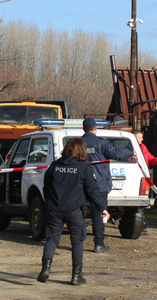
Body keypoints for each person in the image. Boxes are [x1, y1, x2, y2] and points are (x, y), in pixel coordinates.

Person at [38, 137, 109, 286]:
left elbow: (46, 186)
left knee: (52, 239)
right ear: (82, 150)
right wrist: (102, 208)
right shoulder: (84, 168)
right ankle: (76, 276)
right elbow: (93, 191)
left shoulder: (54, 166)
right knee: (77, 242)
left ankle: (45, 269)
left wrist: (49, 202)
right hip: (75, 210)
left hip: (54, 209)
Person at [81, 117, 134, 253]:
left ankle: (78, 241)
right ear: (95, 128)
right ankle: (99, 243)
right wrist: (130, 152)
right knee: (99, 213)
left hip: (80, 183)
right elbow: (116, 153)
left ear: (84, 128)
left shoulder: (78, 143)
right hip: (99, 183)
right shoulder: (101, 143)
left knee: (79, 213)